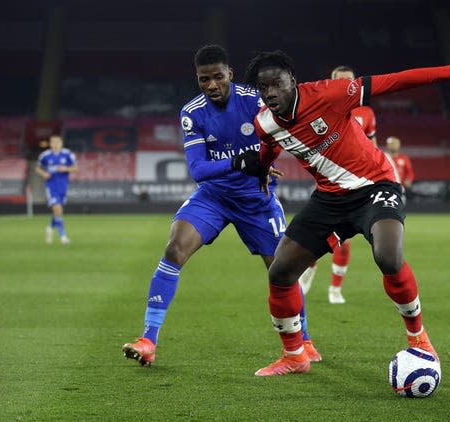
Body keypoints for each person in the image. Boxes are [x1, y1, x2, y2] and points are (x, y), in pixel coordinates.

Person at [240, 49, 450, 376]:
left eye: (277, 84)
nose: (271, 93)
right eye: (264, 88)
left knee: (388, 257)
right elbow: (269, 146)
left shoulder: (329, 94)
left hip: (375, 186)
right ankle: (294, 356)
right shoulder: (264, 122)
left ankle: (419, 337)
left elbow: (395, 81)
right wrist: (262, 168)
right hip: (329, 199)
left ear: (294, 80)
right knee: (280, 273)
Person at [122, 45, 321, 367]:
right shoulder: (193, 112)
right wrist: (241, 161)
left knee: (282, 271)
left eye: (217, 77)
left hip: (257, 200)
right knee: (174, 249)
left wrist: (261, 162)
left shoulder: (254, 100)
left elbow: (281, 137)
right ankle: (148, 340)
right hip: (214, 197)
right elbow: (198, 170)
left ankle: (305, 342)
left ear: (229, 73)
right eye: (204, 80)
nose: (212, 85)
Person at [298, 65, 379, 304]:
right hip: (330, 181)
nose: (345, 85)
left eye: (348, 81)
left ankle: (335, 289)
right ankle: (310, 268)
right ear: (330, 82)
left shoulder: (366, 112)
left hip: (357, 184)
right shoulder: (323, 108)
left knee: (344, 237)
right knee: (318, 234)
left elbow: (373, 146)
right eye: (340, 81)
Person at [35, 134, 78, 245]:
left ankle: (50, 228)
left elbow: (76, 168)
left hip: (63, 186)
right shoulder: (45, 156)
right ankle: (62, 236)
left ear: (61, 143)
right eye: (53, 143)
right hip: (51, 186)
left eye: (57, 142)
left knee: (58, 211)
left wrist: (66, 168)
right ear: (50, 144)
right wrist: (44, 173)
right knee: (57, 208)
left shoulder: (68, 154)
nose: (55, 145)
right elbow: (37, 168)